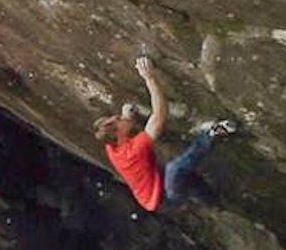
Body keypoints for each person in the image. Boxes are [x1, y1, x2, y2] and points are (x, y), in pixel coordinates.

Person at [92, 56, 235, 211]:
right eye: (118, 119)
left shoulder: (112, 146)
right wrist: (150, 78)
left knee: (188, 179)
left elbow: (121, 126)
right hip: (163, 199)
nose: (119, 117)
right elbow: (160, 115)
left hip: (159, 184)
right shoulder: (132, 152)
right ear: (118, 134)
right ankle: (214, 134)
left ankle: (215, 204)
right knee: (175, 169)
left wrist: (126, 115)